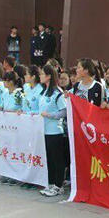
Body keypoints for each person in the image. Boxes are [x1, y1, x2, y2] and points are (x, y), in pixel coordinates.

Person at [38, 64, 67, 196]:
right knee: (49, 158)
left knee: (57, 159)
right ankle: (50, 183)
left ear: (49, 76)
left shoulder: (57, 93)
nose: (40, 76)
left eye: (42, 74)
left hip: (55, 131)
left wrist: (50, 115)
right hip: (44, 131)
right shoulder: (44, 92)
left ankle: (58, 185)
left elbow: (64, 111)